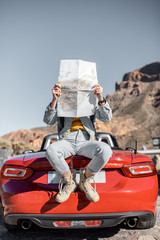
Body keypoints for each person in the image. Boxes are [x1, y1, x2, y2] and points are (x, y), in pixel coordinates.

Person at [43, 83, 112, 203]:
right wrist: (55, 99)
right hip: (66, 141)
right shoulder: (61, 103)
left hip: (87, 141)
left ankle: (85, 180)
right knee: (51, 150)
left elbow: (107, 118)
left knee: (106, 150)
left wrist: (100, 97)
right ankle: (70, 181)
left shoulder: (91, 102)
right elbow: (48, 120)